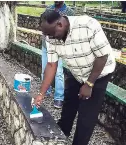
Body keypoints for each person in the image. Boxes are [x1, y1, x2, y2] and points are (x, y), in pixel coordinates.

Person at [35, 10, 116, 145]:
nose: (49, 38)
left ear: (60, 24)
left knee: (86, 116)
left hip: (99, 74)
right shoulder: (51, 36)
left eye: (51, 34)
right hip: (76, 72)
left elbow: (102, 56)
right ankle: (59, 137)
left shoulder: (88, 25)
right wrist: (41, 93)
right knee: (68, 106)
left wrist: (89, 84)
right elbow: (51, 65)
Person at [41, 1, 75, 108]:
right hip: (46, 44)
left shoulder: (69, 12)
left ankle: (59, 97)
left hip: (59, 46)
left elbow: (70, 31)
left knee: (58, 72)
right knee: (45, 68)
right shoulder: (49, 9)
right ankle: (45, 91)